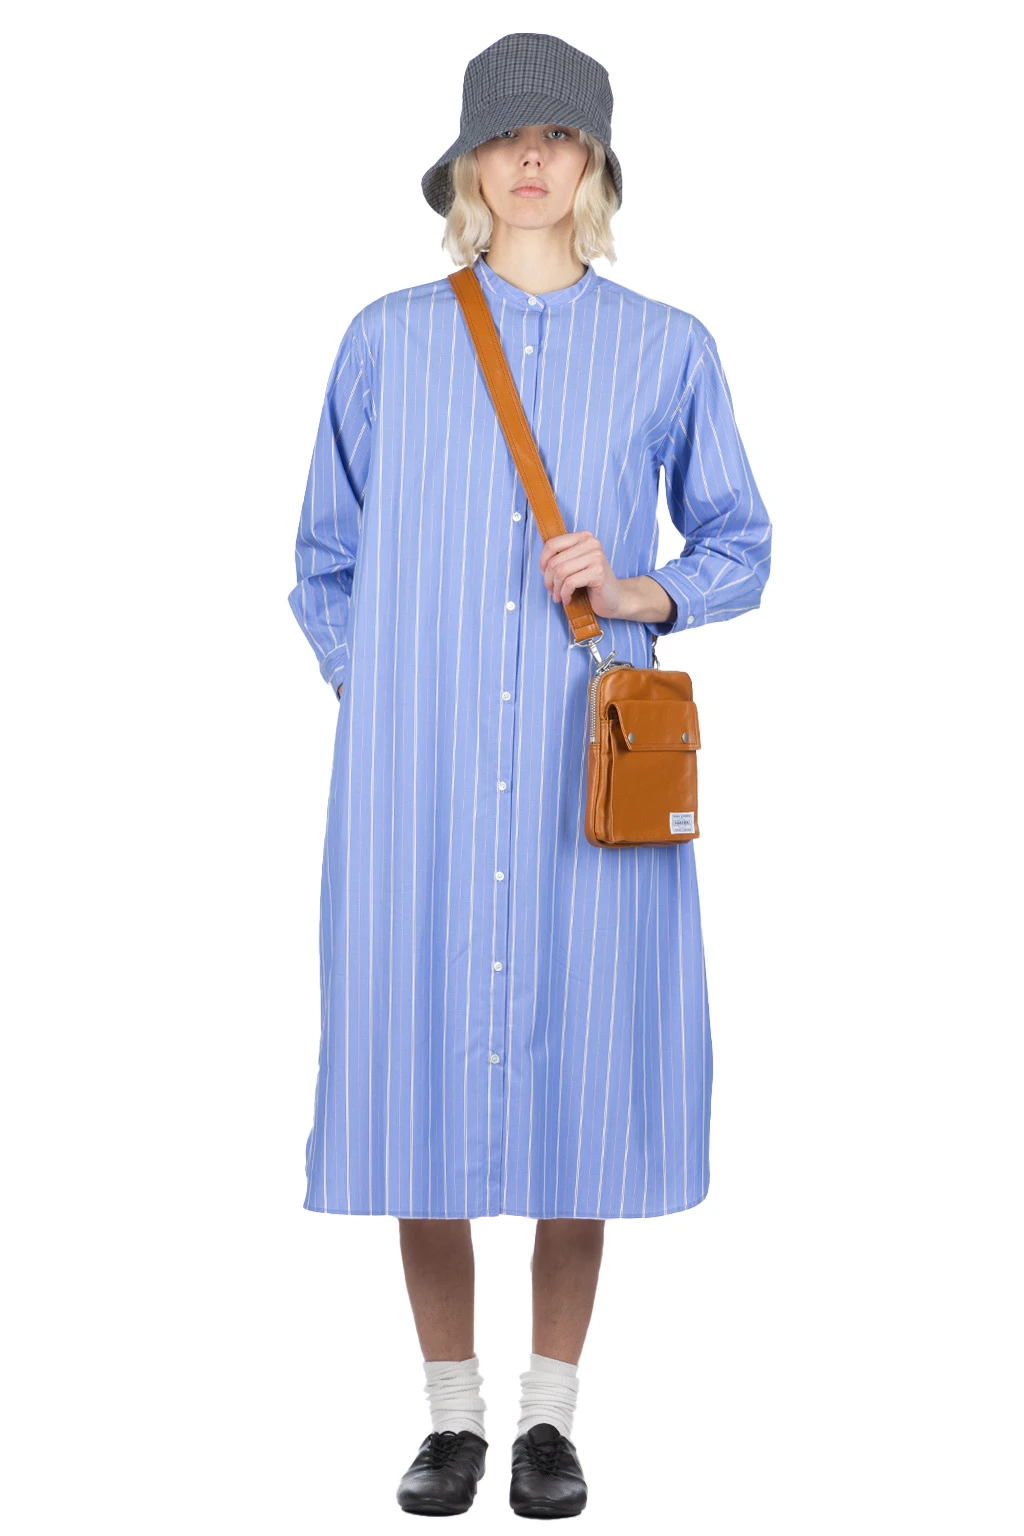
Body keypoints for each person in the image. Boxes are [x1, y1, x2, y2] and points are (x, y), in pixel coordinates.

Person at [286, 31, 772, 1519]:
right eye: (507, 137)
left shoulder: (670, 348)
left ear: (597, 164)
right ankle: (450, 1418)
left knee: (585, 1083)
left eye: (560, 135)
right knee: (414, 1081)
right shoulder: (386, 340)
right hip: (416, 793)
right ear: (468, 166)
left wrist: (636, 592)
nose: (533, 159)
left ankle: (550, 1419)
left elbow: (742, 543)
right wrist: (384, 696)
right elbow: (323, 561)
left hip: (587, 776)